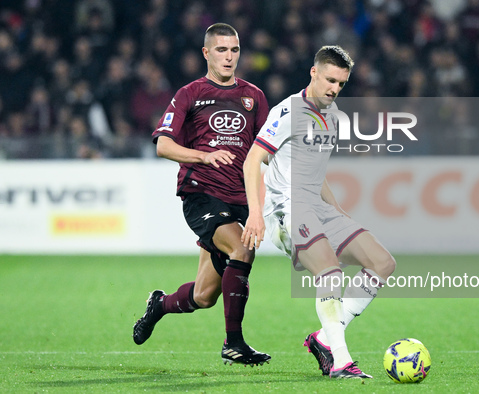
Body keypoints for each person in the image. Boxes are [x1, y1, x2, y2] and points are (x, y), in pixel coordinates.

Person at [242, 45, 396, 378]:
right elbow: (254, 158)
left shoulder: (331, 116)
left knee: (383, 263)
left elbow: (314, 169)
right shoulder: (289, 111)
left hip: (317, 207)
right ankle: (341, 360)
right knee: (330, 273)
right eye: (329, 80)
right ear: (314, 72)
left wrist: (338, 212)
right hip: (287, 208)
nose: (334, 89)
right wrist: (255, 213)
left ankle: (325, 338)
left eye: (341, 83)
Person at [133, 23, 271, 366]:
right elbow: (163, 145)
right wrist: (203, 155)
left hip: (239, 200)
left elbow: (265, 154)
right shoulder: (190, 93)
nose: (229, 57)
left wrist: (259, 207)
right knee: (242, 248)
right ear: (207, 53)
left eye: (235, 50)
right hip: (201, 194)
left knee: (204, 295)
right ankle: (234, 344)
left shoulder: (254, 97)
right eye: (221, 50)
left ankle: (159, 305)